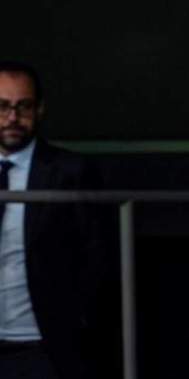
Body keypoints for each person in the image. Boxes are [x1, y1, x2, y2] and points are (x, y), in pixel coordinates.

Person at [0, 62, 105, 379]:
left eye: (24, 106)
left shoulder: (70, 171)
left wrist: (78, 322)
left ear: (40, 109)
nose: (13, 118)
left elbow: (97, 257)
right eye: (3, 107)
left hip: (44, 348)